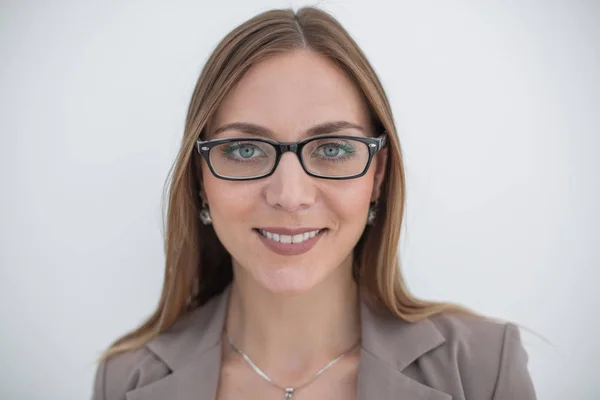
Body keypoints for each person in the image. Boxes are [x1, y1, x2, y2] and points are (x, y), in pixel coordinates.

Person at [92, 7, 537, 400]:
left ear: (377, 175)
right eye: (246, 149)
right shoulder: (125, 380)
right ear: (200, 178)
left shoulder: (483, 369)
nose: (289, 196)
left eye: (332, 149)